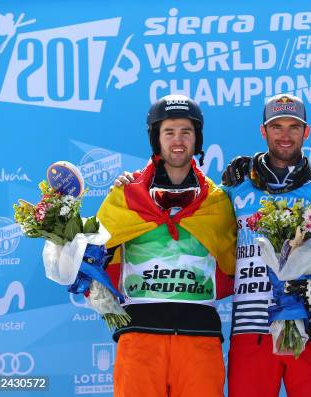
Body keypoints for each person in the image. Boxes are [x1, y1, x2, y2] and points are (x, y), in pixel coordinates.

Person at [98, 94, 237, 397]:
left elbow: (232, 266)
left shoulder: (217, 201)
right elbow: (94, 257)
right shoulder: (126, 196)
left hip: (200, 339)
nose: (178, 140)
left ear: (196, 138)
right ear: (156, 138)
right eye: (169, 131)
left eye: (186, 132)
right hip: (140, 339)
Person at [221, 93, 311, 397]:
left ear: (306, 132)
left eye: (293, 127)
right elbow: (196, 218)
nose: (285, 135)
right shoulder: (235, 189)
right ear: (263, 131)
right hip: (250, 332)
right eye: (276, 126)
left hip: (310, 329)